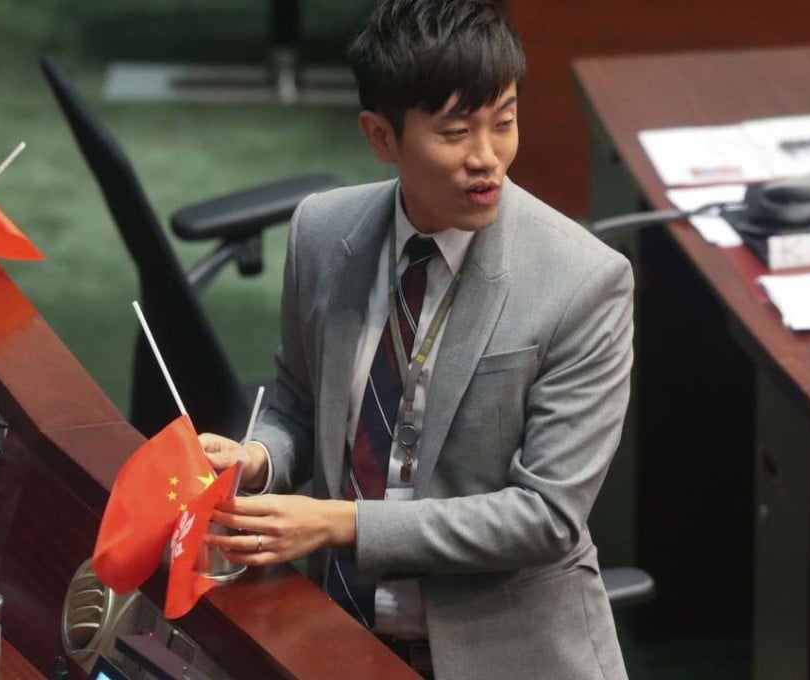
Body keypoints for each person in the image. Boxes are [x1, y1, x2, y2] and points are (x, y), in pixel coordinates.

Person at [200, 0, 633, 677]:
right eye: (456, 132)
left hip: (504, 653)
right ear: (381, 136)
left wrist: (341, 523)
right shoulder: (322, 234)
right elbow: (298, 405)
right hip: (336, 637)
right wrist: (257, 458)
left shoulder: (583, 281)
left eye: (504, 122)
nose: (487, 158)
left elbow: (546, 516)